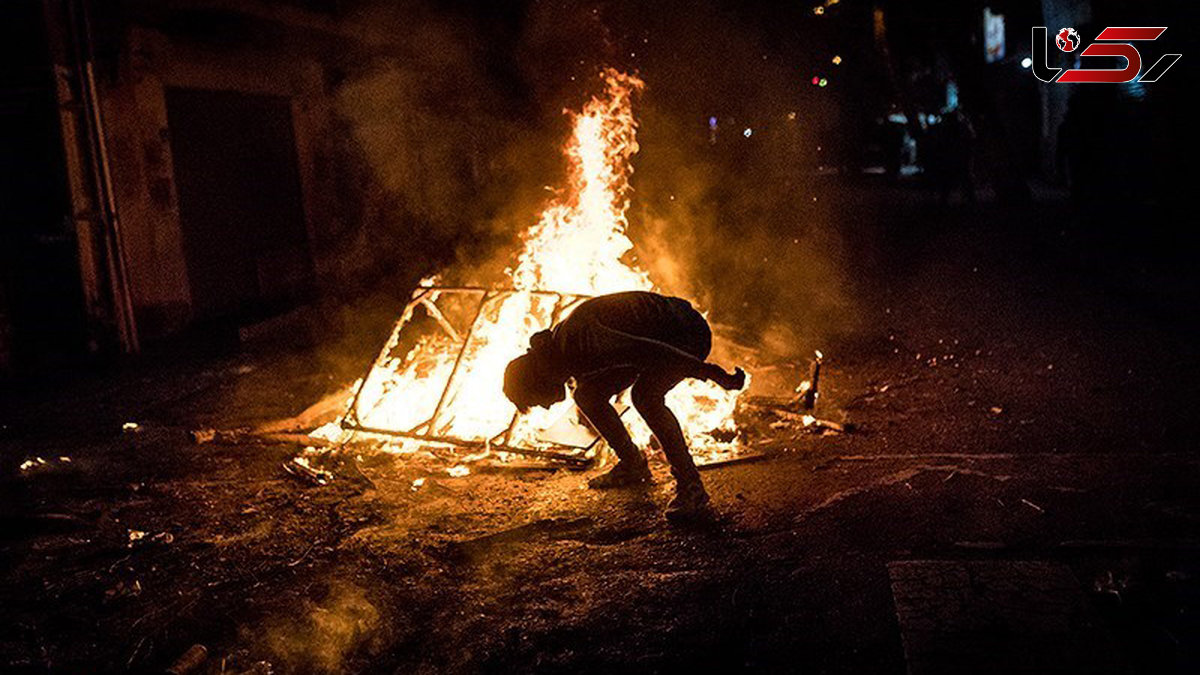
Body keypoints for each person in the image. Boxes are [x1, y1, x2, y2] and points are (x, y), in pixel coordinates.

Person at [503, 291, 746, 522]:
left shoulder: (584, 340)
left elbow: (651, 351)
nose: (545, 407)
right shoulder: (561, 350)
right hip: (656, 337)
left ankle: (691, 488)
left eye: (536, 400)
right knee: (587, 395)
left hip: (685, 333)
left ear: (536, 379)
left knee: (645, 398)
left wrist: (712, 374)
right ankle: (632, 465)